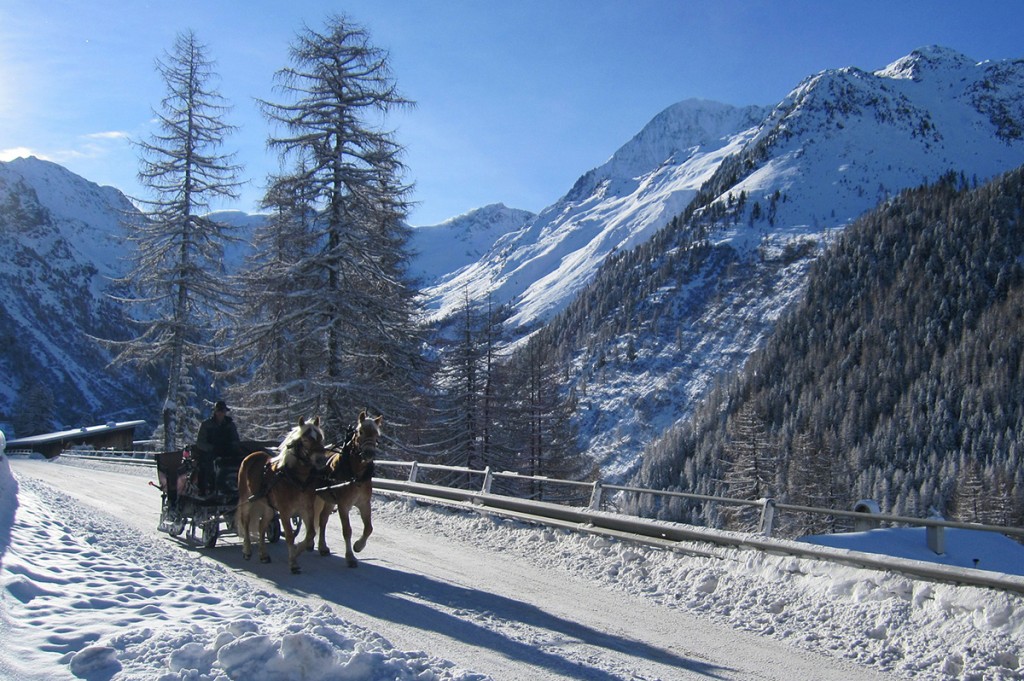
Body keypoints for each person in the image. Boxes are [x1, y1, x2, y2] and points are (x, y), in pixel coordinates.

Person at [194, 400, 241, 496]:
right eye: (219, 411)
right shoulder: (206, 425)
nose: (221, 414)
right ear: (215, 412)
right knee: (205, 465)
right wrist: (212, 448)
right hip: (210, 452)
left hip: (227, 452)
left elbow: (235, 439)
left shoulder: (230, 425)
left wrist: (232, 446)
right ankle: (205, 490)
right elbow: (200, 443)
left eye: (223, 411)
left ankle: (236, 486)